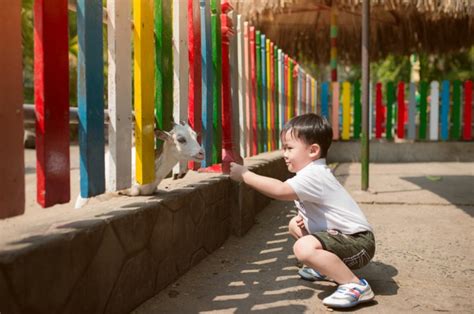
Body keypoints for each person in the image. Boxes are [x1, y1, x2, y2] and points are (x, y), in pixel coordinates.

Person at [229, 113, 375, 308]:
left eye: (289, 148)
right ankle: (326, 268)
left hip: (358, 244)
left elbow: (280, 190)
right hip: (347, 239)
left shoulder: (314, 174)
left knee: (303, 248)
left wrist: (245, 174)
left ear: (313, 150)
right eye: (283, 148)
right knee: (294, 225)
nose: (284, 154)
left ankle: (355, 285)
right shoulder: (311, 173)